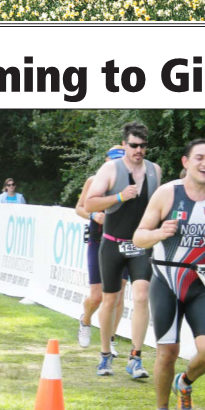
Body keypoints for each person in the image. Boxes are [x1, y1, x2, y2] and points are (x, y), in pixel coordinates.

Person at [133, 138, 205, 410]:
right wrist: (159, 233)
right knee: (168, 351)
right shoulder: (168, 194)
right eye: (199, 158)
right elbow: (139, 237)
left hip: (203, 280)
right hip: (167, 279)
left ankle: (185, 383)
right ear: (186, 162)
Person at [85, 122, 161, 380]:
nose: (139, 150)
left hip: (140, 244)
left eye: (143, 146)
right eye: (134, 145)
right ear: (125, 145)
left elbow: (158, 207)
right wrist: (119, 197)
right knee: (110, 300)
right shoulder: (110, 169)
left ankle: (135, 357)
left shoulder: (155, 171)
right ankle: (105, 354)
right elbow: (89, 203)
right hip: (112, 243)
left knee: (141, 295)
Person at [74, 143, 124, 346]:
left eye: (120, 161)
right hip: (98, 240)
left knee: (118, 296)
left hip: (122, 242)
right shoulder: (94, 181)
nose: (116, 164)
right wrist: (93, 214)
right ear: (106, 161)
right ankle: (85, 321)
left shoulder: (130, 184)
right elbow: (79, 208)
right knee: (96, 296)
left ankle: (110, 339)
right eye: (113, 160)